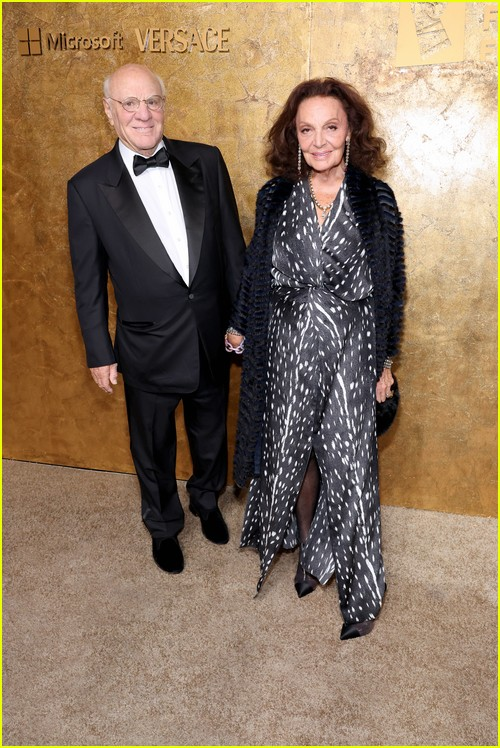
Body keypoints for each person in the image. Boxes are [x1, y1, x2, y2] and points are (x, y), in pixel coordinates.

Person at [225, 78, 405, 640]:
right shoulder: (275, 196)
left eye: (331, 127)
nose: (319, 140)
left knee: (350, 464)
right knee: (294, 452)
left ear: (350, 131)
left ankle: (363, 588)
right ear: (294, 136)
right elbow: (256, 270)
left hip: (353, 347)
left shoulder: (376, 199)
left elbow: (391, 287)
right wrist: (239, 323)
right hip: (289, 345)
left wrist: (386, 362)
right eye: (307, 129)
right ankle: (306, 550)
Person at [68, 63, 245, 574]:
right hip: (146, 344)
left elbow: (233, 251)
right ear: (109, 111)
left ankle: (206, 500)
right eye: (129, 103)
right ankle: (164, 525)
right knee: (152, 443)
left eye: (152, 101)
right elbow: (87, 280)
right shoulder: (87, 186)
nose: (143, 113)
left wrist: (243, 321)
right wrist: (98, 351)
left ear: (164, 105)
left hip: (211, 332)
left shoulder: (206, 160)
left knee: (210, 429)